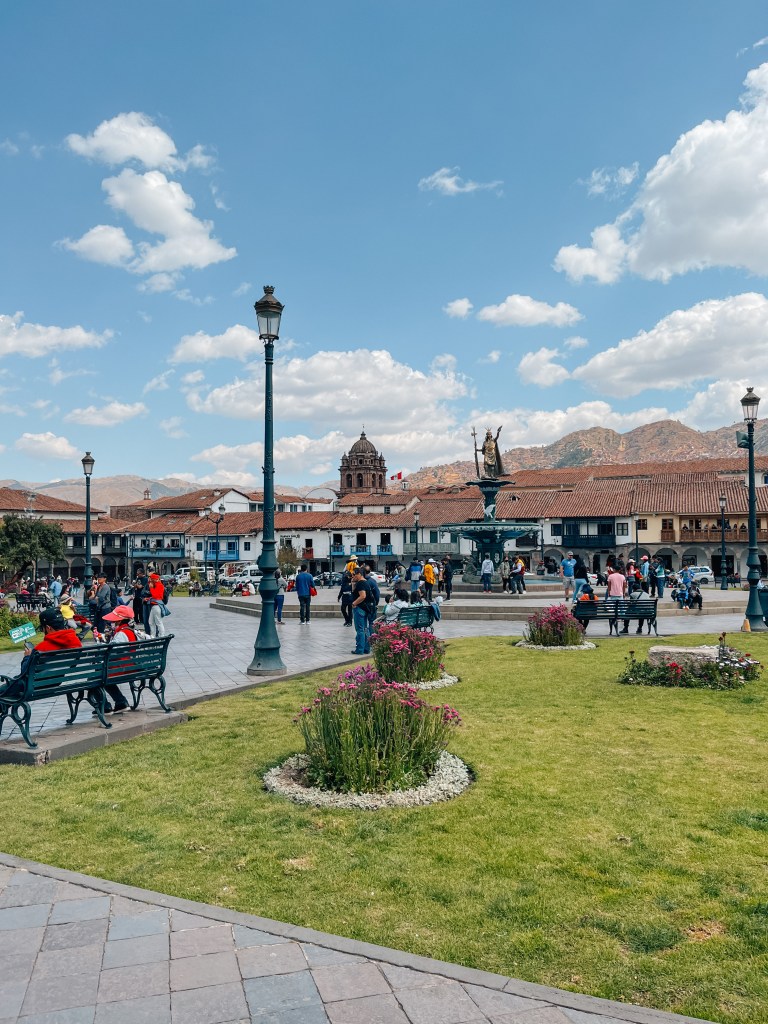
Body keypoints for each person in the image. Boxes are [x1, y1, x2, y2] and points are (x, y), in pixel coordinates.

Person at [350, 566, 373, 655]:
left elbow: (363, 596)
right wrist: (353, 583)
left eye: (354, 575)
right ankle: (366, 648)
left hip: (360, 608)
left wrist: (354, 603)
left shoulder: (361, 583)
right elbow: (354, 592)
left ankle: (359, 649)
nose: (353, 576)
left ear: (359, 574)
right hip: (365, 608)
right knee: (365, 629)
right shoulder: (365, 582)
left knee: (360, 629)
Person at [606, 564, 628, 633]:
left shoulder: (611, 576)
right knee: (621, 606)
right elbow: (624, 585)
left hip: (612, 594)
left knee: (613, 606)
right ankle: (622, 617)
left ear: (614, 570)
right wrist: (624, 593)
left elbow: (609, 585)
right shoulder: (622, 576)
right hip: (620, 594)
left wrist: (609, 592)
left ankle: (614, 616)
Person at [145, 572, 166, 637]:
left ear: (154, 579)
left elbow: (155, 595)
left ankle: (161, 635)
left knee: (158, 622)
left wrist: (151, 588)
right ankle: (153, 635)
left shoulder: (159, 585)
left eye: (151, 579)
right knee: (151, 622)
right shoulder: (157, 584)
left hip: (156, 605)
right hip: (154, 606)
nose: (150, 580)